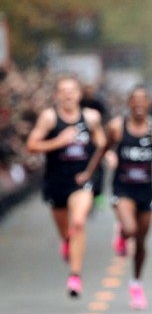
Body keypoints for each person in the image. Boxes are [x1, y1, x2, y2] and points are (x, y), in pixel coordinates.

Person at [26, 75, 106, 297]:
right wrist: (58, 142)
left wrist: (104, 158)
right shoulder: (49, 118)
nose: (69, 94)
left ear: (80, 95)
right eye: (63, 91)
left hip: (81, 180)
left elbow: (101, 142)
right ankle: (67, 242)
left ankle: (75, 276)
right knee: (67, 232)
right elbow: (31, 145)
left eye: (72, 90)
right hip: (57, 181)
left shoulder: (91, 118)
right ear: (57, 96)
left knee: (78, 222)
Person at [105, 86, 152, 309]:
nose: (139, 103)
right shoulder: (117, 127)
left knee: (140, 241)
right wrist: (96, 168)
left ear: (149, 104)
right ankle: (121, 231)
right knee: (130, 230)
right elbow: (103, 149)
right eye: (135, 99)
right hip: (123, 189)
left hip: (146, 191)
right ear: (128, 103)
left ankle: (136, 284)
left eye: (143, 99)